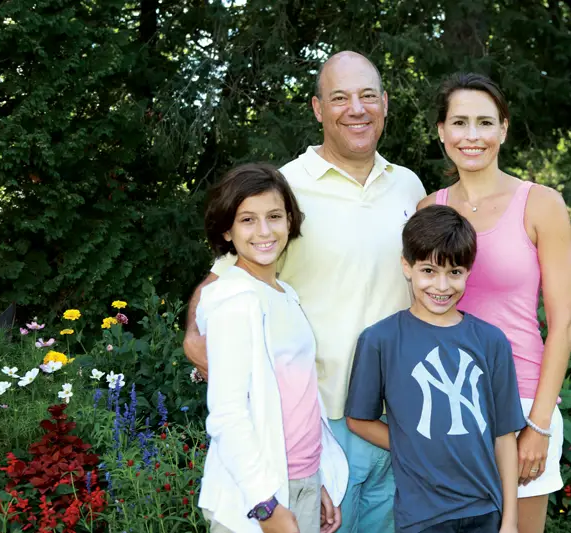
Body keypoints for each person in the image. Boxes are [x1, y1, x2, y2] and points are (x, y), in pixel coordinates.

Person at [183, 52, 427, 532]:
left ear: (385, 104)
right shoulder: (284, 190)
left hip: (399, 417)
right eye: (339, 98)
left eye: (367, 96)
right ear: (318, 109)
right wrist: (196, 335)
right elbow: (223, 281)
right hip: (324, 422)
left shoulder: (409, 186)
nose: (355, 109)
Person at [418, 73, 571, 533]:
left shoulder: (540, 203)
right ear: (442, 131)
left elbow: (563, 320)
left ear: (503, 129)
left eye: (485, 122)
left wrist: (540, 423)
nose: (472, 136)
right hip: (447, 402)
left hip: (523, 399)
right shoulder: (428, 209)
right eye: (460, 122)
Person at [345, 205, 524, 533]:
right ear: (407, 266)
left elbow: (503, 435)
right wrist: (410, 444)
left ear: (468, 271)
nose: (441, 286)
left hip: (486, 508)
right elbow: (358, 419)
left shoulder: (491, 341)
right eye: (429, 270)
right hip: (422, 515)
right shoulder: (380, 340)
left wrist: (510, 520)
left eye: (454, 272)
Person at [195, 164, 348, 533]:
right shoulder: (233, 299)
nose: (264, 231)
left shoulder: (284, 294)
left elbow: (299, 398)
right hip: (258, 498)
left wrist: (317, 479)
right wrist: (265, 505)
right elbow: (227, 415)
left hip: (301, 481)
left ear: (290, 220)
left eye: (274, 216)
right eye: (248, 219)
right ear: (227, 230)